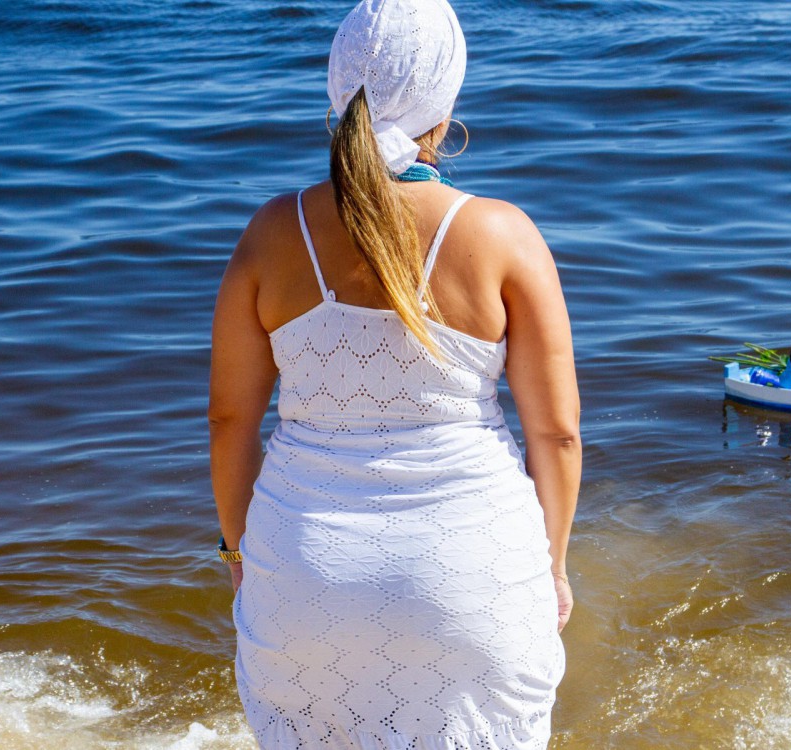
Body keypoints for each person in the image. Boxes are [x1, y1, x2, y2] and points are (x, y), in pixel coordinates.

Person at [207, 0, 581, 747]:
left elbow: (229, 421)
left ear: (336, 90)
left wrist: (240, 551)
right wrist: (555, 567)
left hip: (303, 568)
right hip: (471, 569)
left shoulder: (273, 232)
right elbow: (558, 434)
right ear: (446, 102)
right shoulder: (500, 233)